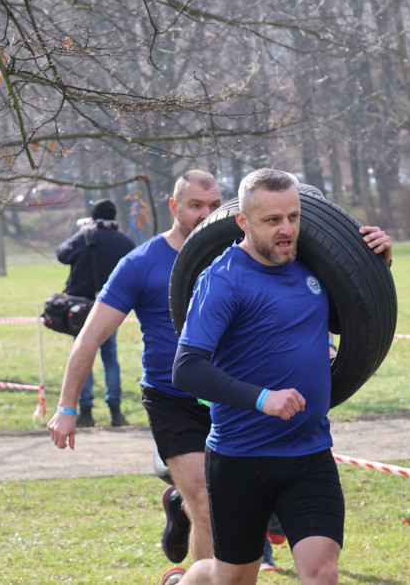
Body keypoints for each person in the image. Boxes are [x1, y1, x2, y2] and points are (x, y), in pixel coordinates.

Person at [165, 168, 392, 585]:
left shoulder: (314, 268)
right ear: (242, 221)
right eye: (272, 220)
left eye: (293, 217)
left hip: (309, 452)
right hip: (241, 457)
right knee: (231, 578)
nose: (287, 229)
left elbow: (351, 317)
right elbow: (187, 368)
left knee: (322, 573)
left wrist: (374, 262)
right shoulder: (222, 280)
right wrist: (261, 398)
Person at [47, 170, 223, 567]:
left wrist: (365, 249)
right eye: (196, 206)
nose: (206, 215)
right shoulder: (141, 263)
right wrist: (67, 408)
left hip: (231, 394)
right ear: (174, 207)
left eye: (214, 205)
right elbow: (89, 338)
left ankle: (179, 506)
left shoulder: (240, 253)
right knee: (207, 503)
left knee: (234, 500)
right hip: (171, 397)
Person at [55, 198, 135, 427]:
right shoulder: (124, 242)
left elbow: (61, 254)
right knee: (110, 358)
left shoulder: (84, 237)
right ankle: (115, 411)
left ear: (92, 217)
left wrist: (82, 232)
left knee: (83, 354)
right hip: (112, 308)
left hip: (81, 309)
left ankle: (86, 411)